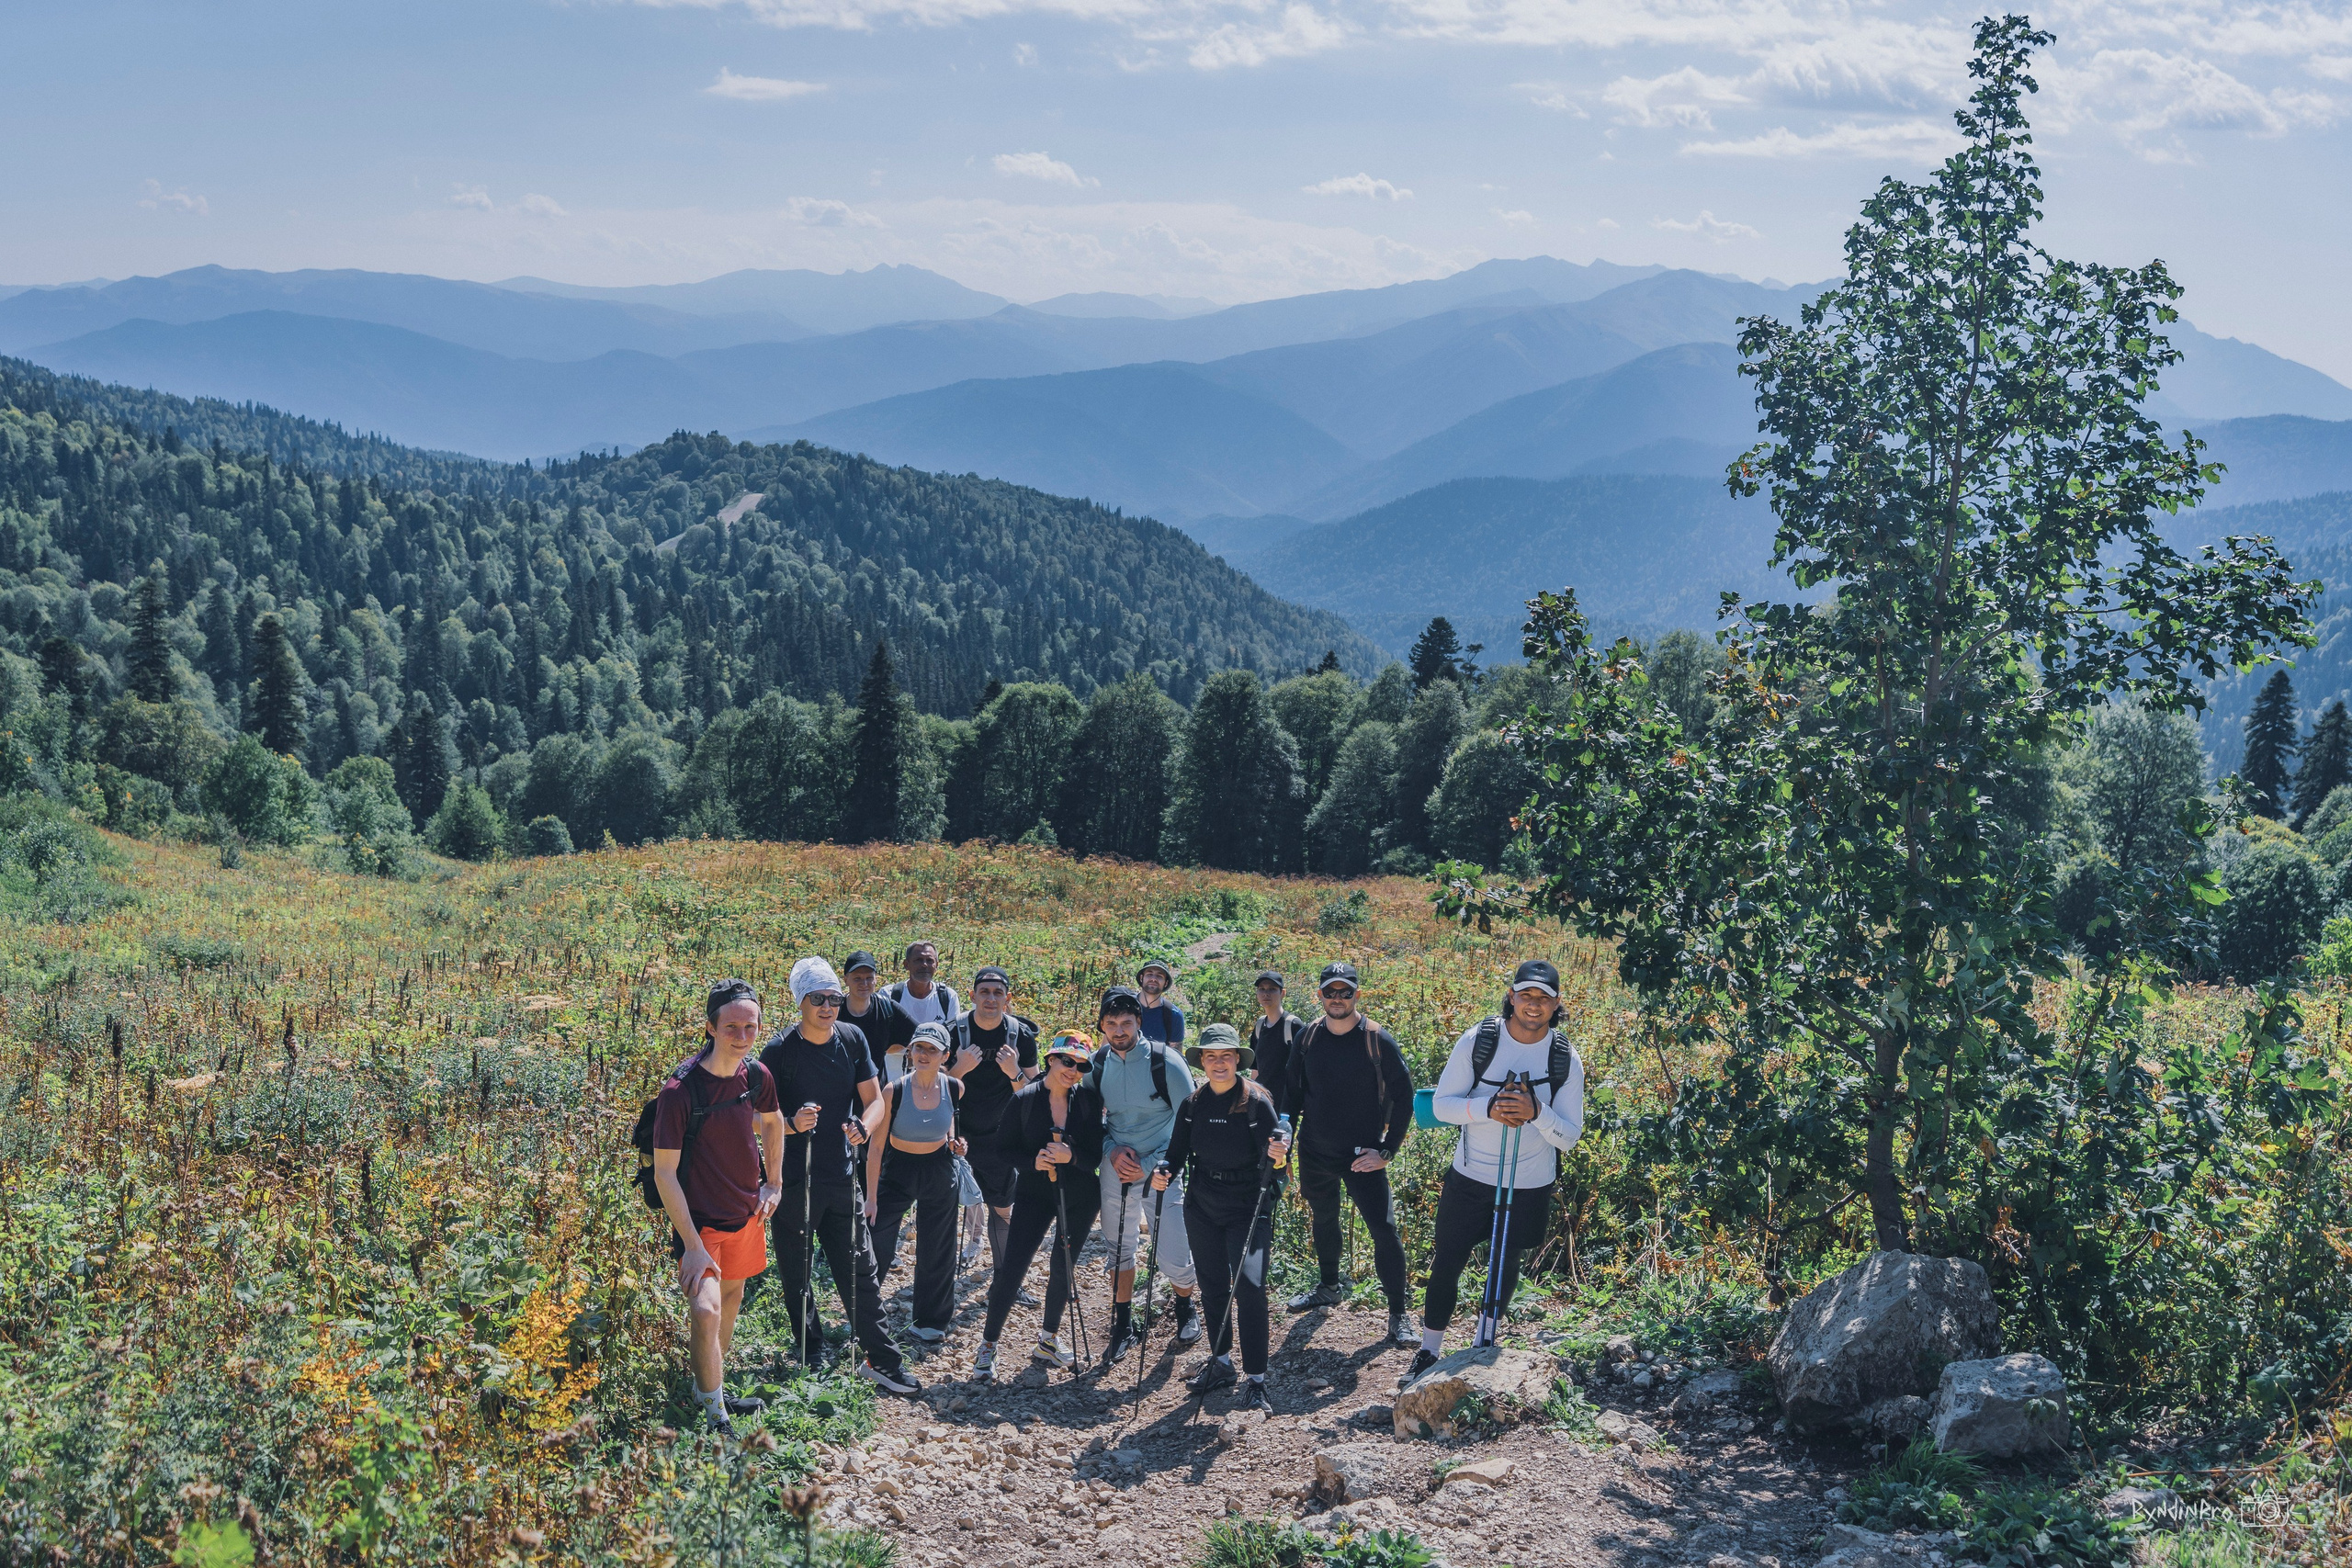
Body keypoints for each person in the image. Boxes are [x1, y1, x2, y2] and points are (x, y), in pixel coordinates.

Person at [1410, 960, 1586, 1382]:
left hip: (1530, 1184)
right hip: (1471, 1177)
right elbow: (1440, 1106)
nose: (1533, 1004)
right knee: (1448, 1262)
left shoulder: (1565, 1057)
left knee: (1505, 1264)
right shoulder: (1479, 1040)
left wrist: (1535, 1112)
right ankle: (1428, 1351)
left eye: (1544, 998)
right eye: (1526, 994)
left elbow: (1569, 1135)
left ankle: (1482, 1345)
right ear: (1511, 996)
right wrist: (1488, 1107)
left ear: (1557, 1004)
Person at [761, 955, 922, 1396]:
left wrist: (864, 1128)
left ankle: (882, 1360)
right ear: (800, 1002)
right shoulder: (779, 1051)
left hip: (840, 1177)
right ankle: (811, 1352)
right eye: (818, 999)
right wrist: (791, 1123)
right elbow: (755, 1118)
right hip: (794, 1181)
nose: (828, 1006)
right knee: (798, 1272)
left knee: (861, 1271)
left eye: (833, 997)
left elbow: (875, 1101)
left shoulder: (851, 1039)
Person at [650, 977, 786, 1433]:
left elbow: (773, 1121)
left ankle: (711, 1387)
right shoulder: (680, 1092)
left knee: (730, 1298)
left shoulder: (757, 1076)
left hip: (746, 1212)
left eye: (751, 1027)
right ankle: (713, 1414)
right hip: (700, 1223)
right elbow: (664, 1173)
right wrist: (690, 1243)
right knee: (705, 1309)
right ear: (710, 1027)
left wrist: (775, 1183)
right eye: (732, 1027)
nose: (743, 1036)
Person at [1153, 1022, 1291, 1410]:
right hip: (1203, 1205)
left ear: (1237, 1060)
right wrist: (1163, 1171)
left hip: (1249, 1207)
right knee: (1213, 1286)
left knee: (1249, 1288)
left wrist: (1280, 1159)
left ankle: (1257, 1380)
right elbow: (1176, 1155)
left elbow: (1276, 1161)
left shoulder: (1255, 1102)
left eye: (1225, 1056)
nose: (1218, 1063)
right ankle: (1222, 1362)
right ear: (1202, 1061)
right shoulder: (1194, 1105)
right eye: (1211, 1056)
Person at [1282, 961, 1417, 1345]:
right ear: (1319, 995)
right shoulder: (1307, 1038)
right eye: (1330, 992)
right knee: (1323, 1218)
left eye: (1345, 992)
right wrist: (1285, 1140)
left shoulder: (1377, 1039)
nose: (1337, 998)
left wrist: (1386, 1152)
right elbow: (1292, 1094)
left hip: (1363, 1155)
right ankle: (1328, 1287)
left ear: (1358, 994)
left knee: (1383, 1230)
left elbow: (1405, 1098)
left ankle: (1398, 1313)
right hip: (1314, 1150)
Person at [973, 1032, 1105, 1380]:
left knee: (1063, 1265)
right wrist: (1035, 1162)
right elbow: (1004, 1149)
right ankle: (988, 1344)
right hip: (1034, 1192)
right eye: (1067, 1061)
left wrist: (1071, 1155)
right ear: (1051, 1060)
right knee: (1013, 1267)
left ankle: (1048, 1340)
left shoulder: (1089, 1099)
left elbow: (1096, 1153)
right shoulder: (1026, 1098)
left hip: (1080, 1194)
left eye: (1080, 1065)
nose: (1073, 1069)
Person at [1089, 986, 1199, 1360]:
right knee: (1119, 1249)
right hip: (1115, 1167)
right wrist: (1110, 1150)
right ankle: (1123, 1324)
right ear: (1102, 1025)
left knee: (1173, 1253)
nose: (1119, 1031)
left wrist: (1152, 1164)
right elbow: (1087, 1122)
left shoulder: (1165, 1062)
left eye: (1127, 1022)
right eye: (1111, 1023)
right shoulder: (1096, 1063)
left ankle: (1185, 1306)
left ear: (1139, 1022)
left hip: (1164, 1165)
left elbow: (1190, 1121)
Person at [864, 1021, 968, 1344]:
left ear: (945, 1055)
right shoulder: (893, 1090)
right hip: (898, 1170)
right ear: (909, 1051)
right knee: (877, 1241)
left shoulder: (955, 1088)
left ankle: (932, 1320)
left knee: (938, 1247)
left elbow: (951, 1127)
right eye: (919, 1047)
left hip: (939, 1167)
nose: (924, 1054)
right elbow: (876, 1148)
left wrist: (957, 1143)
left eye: (932, 1049)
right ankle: (865, 1317)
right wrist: (871, 1197)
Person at [946, 965, 1038, 1287]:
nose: (990, 998)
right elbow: (927, 1086)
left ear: (1007, 998)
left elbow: (1032, 1095)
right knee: (948, 1208)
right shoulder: (952, 1032)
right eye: (984, 992)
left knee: (1003, 1208)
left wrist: (1013, 1072)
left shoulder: (1021, 1036)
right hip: (957, 1138)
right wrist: (958, 1068)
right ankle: (944, 1281)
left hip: (1001, 1137)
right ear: (972, 995)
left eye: (998, 992)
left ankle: (1007, 1278)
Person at [842, 952, 916, 1080]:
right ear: (845, 980)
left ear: (876, 979)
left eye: (869, 978)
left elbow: (922, 1033)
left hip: (876, 1091)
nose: (864, 983)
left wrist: (909, 1048)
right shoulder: (834, 1010)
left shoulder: (886, 1007)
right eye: (857, 978)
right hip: (839, 1090)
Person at [1250, 970, 1306, 1111]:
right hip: (1263, 1102)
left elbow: (1306, 1065)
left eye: (1272, 989)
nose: (1266, 993)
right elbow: (1255, 1068)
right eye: (1262, 989)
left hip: (1286, 1104)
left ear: (1283, 993)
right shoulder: (1259, 1025)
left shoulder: (1293, 1025)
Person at [888, 941, 961, 1028]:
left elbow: (953, 1035)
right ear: (906, 964)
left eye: (930, 960)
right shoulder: (889, 995)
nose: (924, 965)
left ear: (936, 965)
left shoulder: (948, 997)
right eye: (918, 960)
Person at [1135, 960, 1185, 1048]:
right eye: (1149, 974)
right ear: (1141, 978)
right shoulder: (1125, 1006)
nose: (1153, 979)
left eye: (1159, 976)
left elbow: (1176, 1055)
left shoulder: (1173, 1015)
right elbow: (1108, 1044)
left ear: (1166, 983)